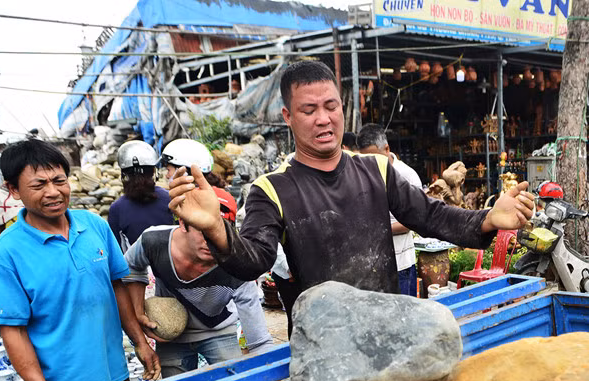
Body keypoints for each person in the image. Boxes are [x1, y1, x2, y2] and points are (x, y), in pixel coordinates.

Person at [167, 60, 534, 329]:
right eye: (308, 110)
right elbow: (255, 260)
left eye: (331, 107)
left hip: (385, 327)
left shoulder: (375, 170)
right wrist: (216, 227)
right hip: (322, 341)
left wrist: (487, 218)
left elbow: (431, 215)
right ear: (287, 116)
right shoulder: (271, 189)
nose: (323, 119)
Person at [0, 139, 159, 381]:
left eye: (59, 180)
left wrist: (140, 343)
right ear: (13, 190)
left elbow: (116, 288)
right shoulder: (5, 254)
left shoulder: (94, 225)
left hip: (116, 377)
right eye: (39, 185)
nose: (53, 192)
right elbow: (12, 331)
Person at [124, 221, 277, 377]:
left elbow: (259, 342)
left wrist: (266, 380)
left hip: (219, 330)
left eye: (218, 232)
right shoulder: (154, 241)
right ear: (183, 224)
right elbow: (129, 267)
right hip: (171, 337)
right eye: (203, 232)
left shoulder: (239, 266)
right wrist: (138, 312)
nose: (210, 241)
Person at [357, 123, 424, 296]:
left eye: (374, 158)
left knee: (403, 318)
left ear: (386, 149)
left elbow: (414, 222)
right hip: (371, 266)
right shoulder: (361, 175)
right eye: (365, 159)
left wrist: (377, 229)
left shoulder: (407, 176)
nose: (370, 164)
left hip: (400, 264)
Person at [108, 140, 174, 250]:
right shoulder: (170, 198)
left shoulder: (116, 209)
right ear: (154, 171)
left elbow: (118, 253)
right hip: (173, 264)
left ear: (123, 174)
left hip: (136, 266)